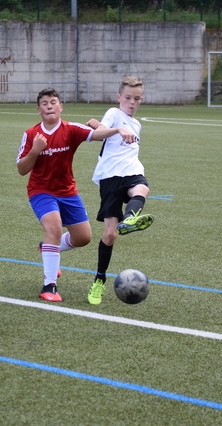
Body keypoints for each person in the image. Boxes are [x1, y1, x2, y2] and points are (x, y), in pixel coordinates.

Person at [16, 87, 137, 302]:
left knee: (83, 238)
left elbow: (96, 135)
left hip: (68, 192)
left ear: (61, 107)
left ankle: (48, 248)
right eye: (44, 103)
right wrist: (35, 150)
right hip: (41, 191)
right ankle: (49, 285)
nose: (49, 106)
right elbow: (22, 169)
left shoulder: (70, 129)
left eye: (53, 102)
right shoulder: (31, 134)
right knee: (53, 227)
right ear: (38, 109)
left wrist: (117, 129)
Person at [85, 76, 154, 305]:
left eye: (137, 99)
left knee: (142, 188)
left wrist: (118, 129)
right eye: (128, 98)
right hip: (110, 177)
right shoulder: (114, 112)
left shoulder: (137, 124)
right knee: (110, 235)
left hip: (132, 171)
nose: (132, 103)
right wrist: (116, 129)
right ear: (119, 97)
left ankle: (130, 219)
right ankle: (99, 280)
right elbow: (98, 134)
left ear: (141, 99)